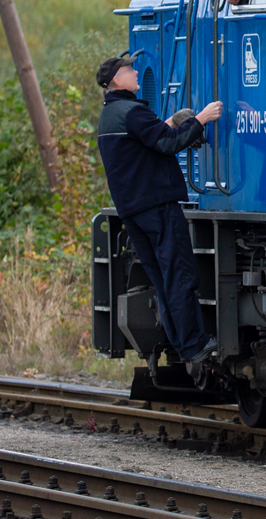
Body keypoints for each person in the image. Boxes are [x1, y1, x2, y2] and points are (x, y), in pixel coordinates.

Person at [96, 51, 224, 366]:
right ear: (116, 79)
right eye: (129, 70)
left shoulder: (111, 115)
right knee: (179, 275)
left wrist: (170, 122)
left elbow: (146, 141)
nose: (136, 73)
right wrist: (202, 118)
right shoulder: (132, 112)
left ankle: (184, 347)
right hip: (157, 207)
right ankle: (194, 345)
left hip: (133, 212)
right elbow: (166, 144)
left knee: (163, 280)